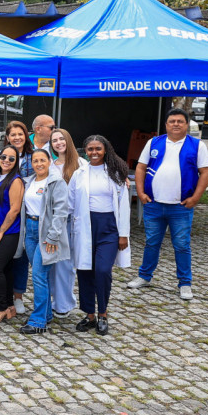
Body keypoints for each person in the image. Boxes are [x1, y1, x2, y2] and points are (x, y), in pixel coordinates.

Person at [128, 108, 208, 301]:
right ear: (166, 124)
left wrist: (195, 198)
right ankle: (144, 276)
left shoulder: (197, 145)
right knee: (151, 243)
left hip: (180, 207)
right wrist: (140, 193)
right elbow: (141, 167)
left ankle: (185, 283)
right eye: (172, 121)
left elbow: (205, 172)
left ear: (186, 124)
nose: (176, 124)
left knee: (182, 245)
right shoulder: (154, 142)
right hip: (154, 204)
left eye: (180, 121)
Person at [69, 135, 132, 336]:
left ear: (105, 150)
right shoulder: (79, 174)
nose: (94, 152)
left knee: (103, 270)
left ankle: (103, 313)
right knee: (85, 271)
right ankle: (90, 315)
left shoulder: (115, 173)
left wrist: (123, 234)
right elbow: (70, 202)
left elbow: (124, 205)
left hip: (109, 228)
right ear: (85, 151)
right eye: (90, 149)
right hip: (85, 227)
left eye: (98, 148)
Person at [17, 149, 71, 334]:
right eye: (35, 161)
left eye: (42, 160)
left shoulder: (56, 182)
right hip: (30, 231)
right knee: (42, 276)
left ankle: (38, 321)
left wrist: (53, 236)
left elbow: (61, 211)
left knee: (38, 276)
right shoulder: (29, 181)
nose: (39, 164)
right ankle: (46, 314)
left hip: (46, 233)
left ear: (49, 161)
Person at [48, 128, 87, 316]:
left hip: (71, 220)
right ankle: (53, 299)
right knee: (51, 263)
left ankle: (63, 304)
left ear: (68, 140)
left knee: (65, 264)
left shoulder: (81, 164)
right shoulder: (50, 165)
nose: (58, 143)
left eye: (61, 139)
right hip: (53, 219)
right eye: (54, 140)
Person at [0, 145, 24, 323]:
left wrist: (1, 232)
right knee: (6, 268)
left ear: (16, 162)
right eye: (3, 157)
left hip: (8, 232)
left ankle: (0, 308)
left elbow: (14, 209)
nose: (6, 161)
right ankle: (9, 306)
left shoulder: (15, 181)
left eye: (11, 158)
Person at [3, 119, 34, 313]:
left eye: (20, 134)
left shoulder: (34, 156)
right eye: (13, 134)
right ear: (7, 137)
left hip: (29, 210)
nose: (17, 137)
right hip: (8, 209)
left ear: (26, 136)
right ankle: (5, 295)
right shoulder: (3, 155)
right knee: (6, 254)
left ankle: (18, 296)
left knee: (22, 255)